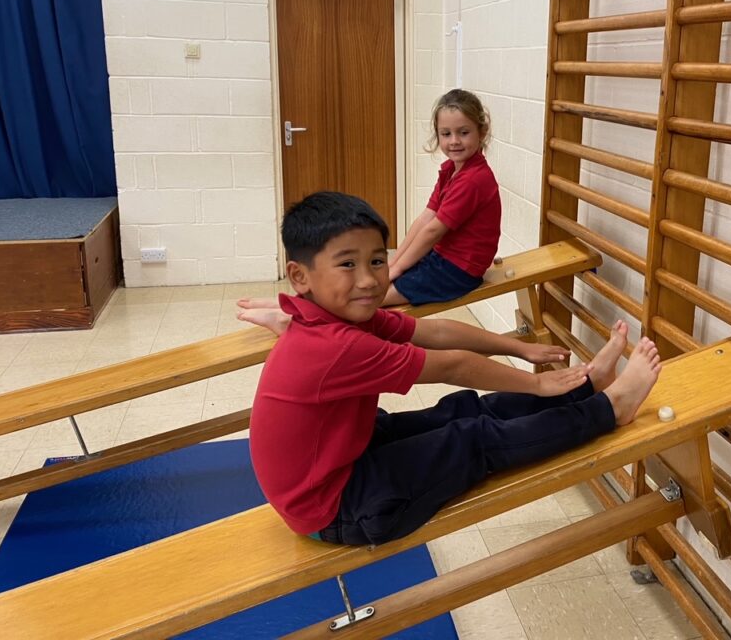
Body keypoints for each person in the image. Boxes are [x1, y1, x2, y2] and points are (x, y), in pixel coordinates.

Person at [250, 190, 663, 546]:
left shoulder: (342, 315)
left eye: (377, 261)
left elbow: (437, 333)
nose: (368, 280)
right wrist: (536, 386)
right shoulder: (334, 345)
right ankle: (610, 408)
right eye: (347, 264)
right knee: (473, 438)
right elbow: (454, 366)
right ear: (300, 276)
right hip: (337, 507)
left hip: (346, 456)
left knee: (462, 410)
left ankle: (585, 387)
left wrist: (519, 349)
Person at [236, 88, 501, 332]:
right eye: (446, 134)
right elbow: (425, 218)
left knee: (365, 297)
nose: (454, 141)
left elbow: (433, 231)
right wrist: (394, 261)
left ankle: (287, 319)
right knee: (360, 285)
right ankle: (288, 304)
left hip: (457, 272)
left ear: (482, 131)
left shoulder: (474, 179)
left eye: (463, 132)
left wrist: (395, 270)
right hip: (440, 260)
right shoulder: (450, 170)